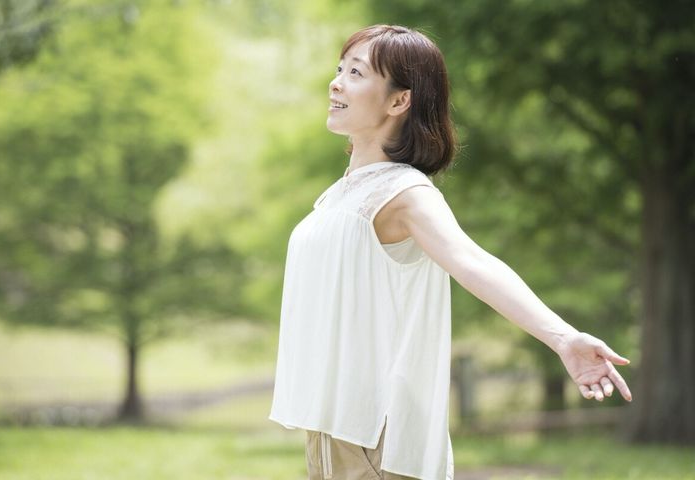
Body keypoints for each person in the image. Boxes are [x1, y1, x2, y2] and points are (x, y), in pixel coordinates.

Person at [268, 24, 633, 480]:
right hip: (333, 427)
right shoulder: (342, 193)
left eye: (356, 73)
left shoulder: (403, 192)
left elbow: (472, 261)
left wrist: (562, 338)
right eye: (340, 69)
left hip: (376, 434)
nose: (336, 83)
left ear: (399, 101)